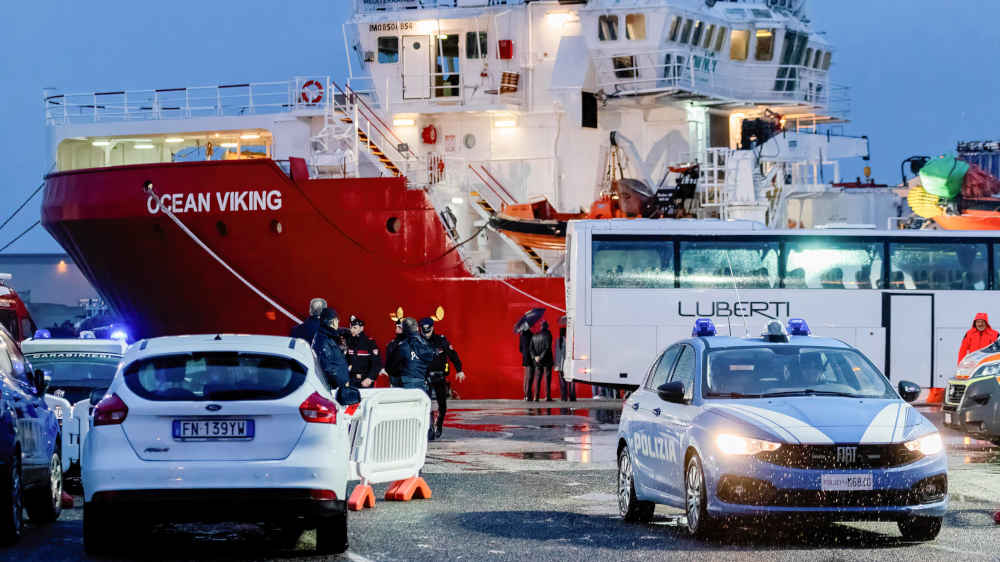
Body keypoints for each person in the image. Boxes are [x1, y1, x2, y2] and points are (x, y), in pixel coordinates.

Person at [419, 317, 466, 438]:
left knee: (442, 405)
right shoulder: (417, 341)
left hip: (439, 377)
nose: (426, 334)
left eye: (428, 331)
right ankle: (429, 427)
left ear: (432, 328)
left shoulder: (441, 340)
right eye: (424, 332)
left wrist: (459, 370)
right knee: (425, 403)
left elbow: (453, 355)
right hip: (424, 378)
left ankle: (439, 424)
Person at [392, 317, 437, 440]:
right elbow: (432, 361)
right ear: (417, 328)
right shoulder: (426, 344)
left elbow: (392, 366)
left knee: (407, 409)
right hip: (422, 381)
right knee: (423, 407)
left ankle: (409, 435)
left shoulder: (403, 346)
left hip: (406, 381)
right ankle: (428, 431)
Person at [312, 308, 349, 390]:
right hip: (333, 387)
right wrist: (342, 382)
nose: (338, 322)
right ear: (330, 321)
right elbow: (327, 367)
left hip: (336, 385)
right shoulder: (324, 340)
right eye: (336, 320)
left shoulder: (328, 336)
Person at [345, 316, 381, 389]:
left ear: (361, 328)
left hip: (365, 381)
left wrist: (370, 378)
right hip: (351, 381)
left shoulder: (369, 343)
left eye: (355, 328)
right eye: (351, 327)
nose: (352, 330)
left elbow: (376, 364)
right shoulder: (349, 342)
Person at [530, 320, 554, 401]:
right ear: (547, 327)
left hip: (537, 361)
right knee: (547, 379)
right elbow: (547, 347)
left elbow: (531, 348)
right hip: (546, 360)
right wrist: (541, 356)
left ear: (541, 327)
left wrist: (535, 357)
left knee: (538, 378)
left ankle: (536, 397)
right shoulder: (548, 335)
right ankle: (547, 396)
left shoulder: (534, 336)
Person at [381, 319, 406, 388]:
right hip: (395, 377)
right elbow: (388, 360)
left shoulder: (413, 343)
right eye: (396, 326)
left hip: (408, 377)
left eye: (399, 327)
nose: (397, 329)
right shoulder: (392, 344)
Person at [556, 325, 575, 401]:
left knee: (562, 382)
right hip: (568, 364)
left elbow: (557, 354)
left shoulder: (558, 340)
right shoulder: (569, 340)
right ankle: (572, 397)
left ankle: (564, 397)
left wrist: (557, 365)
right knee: (571, 381)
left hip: (560, 365)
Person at [519, 327, 535, 401]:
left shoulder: (521, 336)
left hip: (525, 359)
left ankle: (525, 394)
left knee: (526, 377)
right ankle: (529, 395)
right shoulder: (532, 335)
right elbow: (533, 348)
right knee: (530, 377)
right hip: (531, 359)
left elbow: (520, 349)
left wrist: (524, 354)